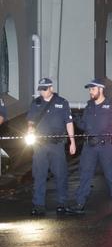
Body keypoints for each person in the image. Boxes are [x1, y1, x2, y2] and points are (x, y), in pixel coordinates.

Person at [67, 79, 112, 214]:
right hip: (90, 147)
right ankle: (80, 203)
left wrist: (100, 137)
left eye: (92, 89)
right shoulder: (89, 107)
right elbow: (85, 126)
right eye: (89, 90)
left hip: (106, 147)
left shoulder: (111, 107)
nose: (90, 92)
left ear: (100, 89)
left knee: (111, 175)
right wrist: (76, 119)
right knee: (85, 175)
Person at [26, 78, 76, 216]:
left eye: (45, 89)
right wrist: (30, 129)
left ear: (51, 88)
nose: (42, 92)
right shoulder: (36, 103)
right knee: (39, 175)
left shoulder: (62, 102)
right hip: (40, 144)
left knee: (60, 174)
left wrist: (72, 141)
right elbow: (30, 120)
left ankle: (62, 203)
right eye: (41, 89)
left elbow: (69, 123)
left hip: (57, 144)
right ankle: (39, 205)